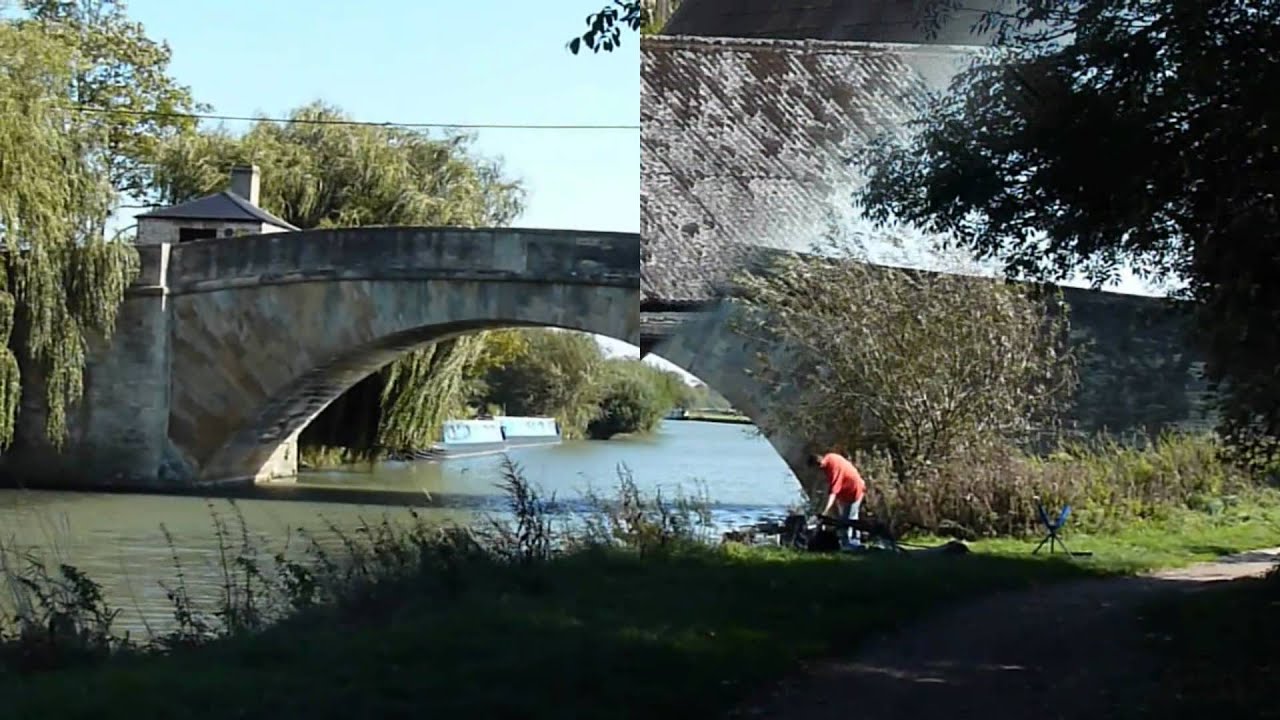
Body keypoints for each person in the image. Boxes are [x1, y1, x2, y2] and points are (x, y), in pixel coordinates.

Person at [808, 451, 867, 549]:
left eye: (816, 470)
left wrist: (825, 512)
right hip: (846, 492)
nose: (818, 473)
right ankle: (856, 541)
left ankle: (849, 544)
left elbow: (833, 493)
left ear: (818, 465)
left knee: (847, 520)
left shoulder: (833, 468)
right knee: (850, 517)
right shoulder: (830, 457)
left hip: (854, 491)